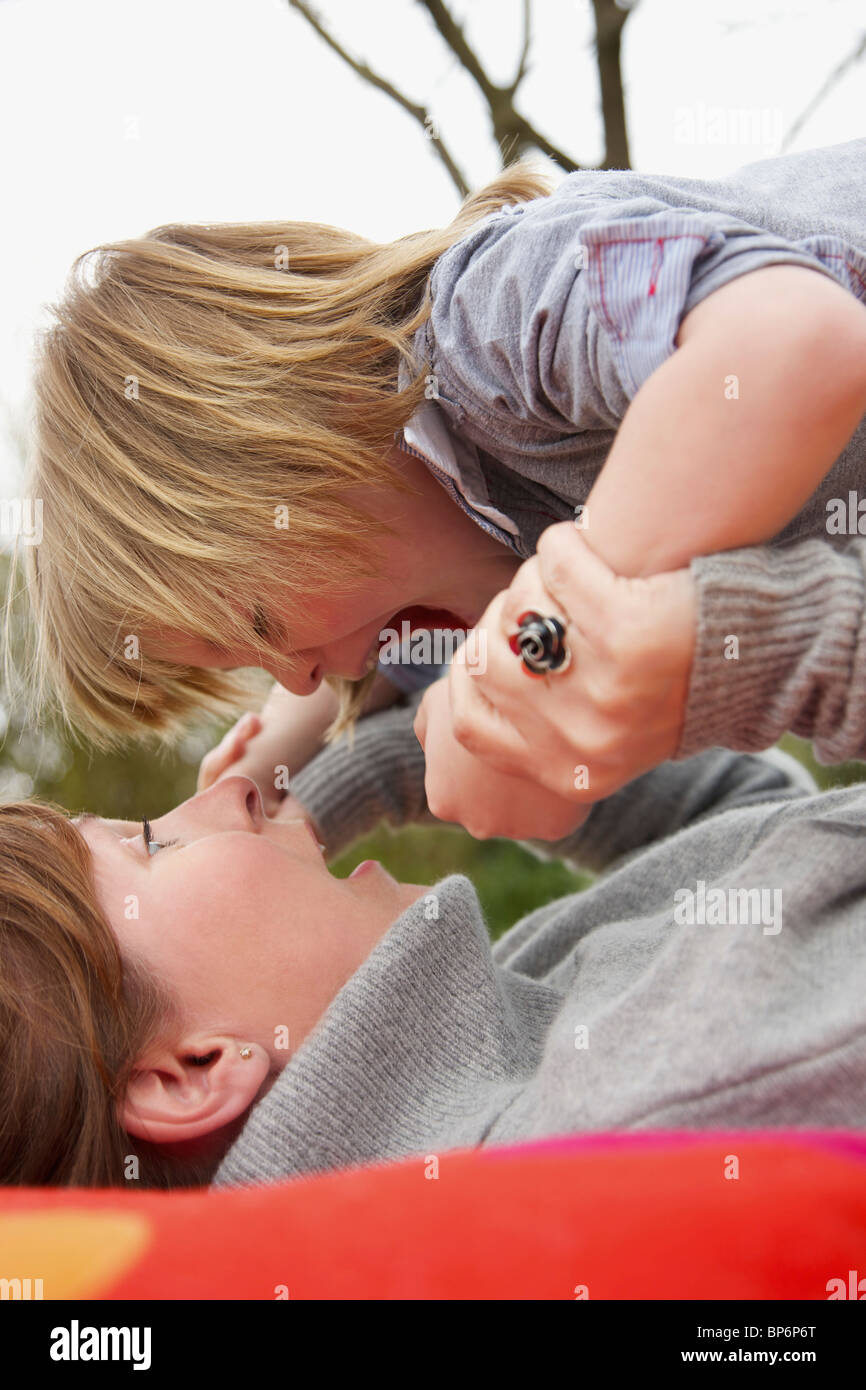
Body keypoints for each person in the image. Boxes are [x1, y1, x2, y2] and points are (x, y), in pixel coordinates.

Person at [12, 139, 866, 842]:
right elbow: (411, 653)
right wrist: (280, 757)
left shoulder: (488, 316)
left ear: (275, 447)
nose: (299, 681)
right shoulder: (463, 555)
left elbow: (793, 345)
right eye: (248, 664)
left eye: (261, 626)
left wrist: (545, 654)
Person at [1, 684, 864, 1192]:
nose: (229, 793)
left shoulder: (514, 1063)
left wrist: (374, 765)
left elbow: (748, 838)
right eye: (150, 845)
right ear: (189, 1074)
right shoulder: (652, 1112)